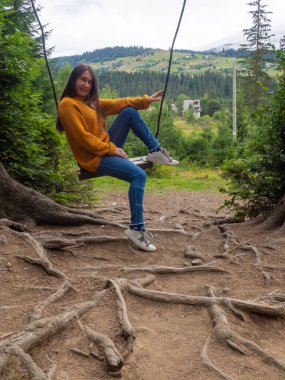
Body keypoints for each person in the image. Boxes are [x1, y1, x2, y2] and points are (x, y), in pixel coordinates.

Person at [57, 63, 179, 252]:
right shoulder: (67, 105)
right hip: (92, 158)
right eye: (83, 80)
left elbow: (119, 103)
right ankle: (136, 230)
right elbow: (83, 139)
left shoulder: (91, 102)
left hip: (104, 148)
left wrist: (146, 100)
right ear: (74, 79)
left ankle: (155, 150)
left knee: (129, 111)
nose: (86, 85)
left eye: (90, 81)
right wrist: (111, 149)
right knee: (139, 176)